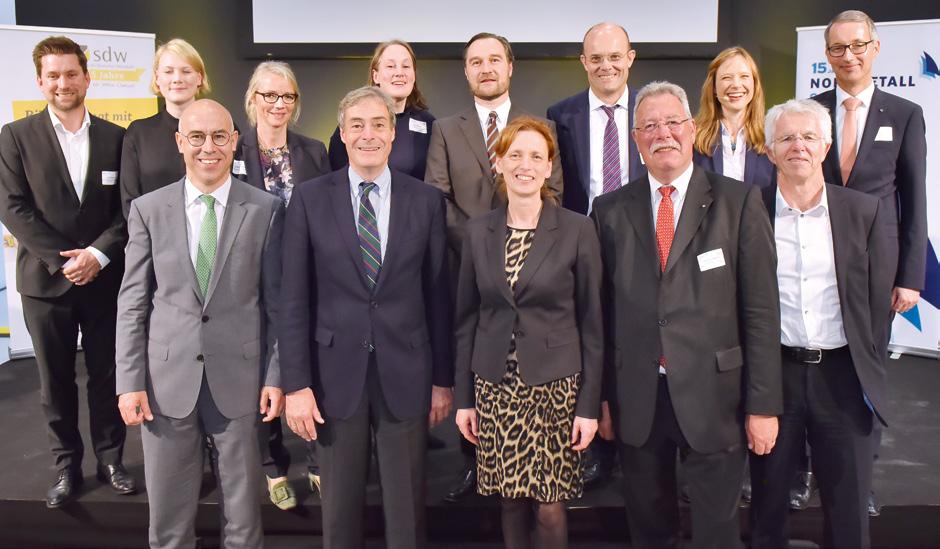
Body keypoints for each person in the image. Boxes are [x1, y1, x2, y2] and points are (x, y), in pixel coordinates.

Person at [590, 81, 782, 549]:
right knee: (650, 533)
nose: (663, 133)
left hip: (716, 396)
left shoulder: (739, 202)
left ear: (692, 129)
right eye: (650, 126)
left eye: (673, 122)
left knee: (717, 534)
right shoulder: (608, 210)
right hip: (638, 398)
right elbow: (600, 315)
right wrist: (601, 399)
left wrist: (763, 405)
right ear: (636, 139)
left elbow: (761, 313)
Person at [280, 86, 453, 549]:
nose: (368, 135)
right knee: (339, 512)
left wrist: (442, 379)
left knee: (408, 512)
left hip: (407, 372)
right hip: (333, 377)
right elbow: (293, 300)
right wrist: (296, 385)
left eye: (378, 124)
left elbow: (438, 297)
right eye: (357, 125)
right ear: (342, 133)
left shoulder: (426, 200)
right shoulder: (310, 199)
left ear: (393, 133)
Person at [115, 99, 284, 549]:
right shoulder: (148, 210)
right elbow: (133, 302)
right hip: (165, 382)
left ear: (234, 141)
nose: (208, 147)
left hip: (240, 380)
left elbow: (277, 304)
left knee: (243, 519)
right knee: (168, 521)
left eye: (219, 136)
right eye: (196, 137)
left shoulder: (265, 209)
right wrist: (129, 382)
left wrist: (274, 375)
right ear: (179, 142)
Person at [425, 30, 563, 502]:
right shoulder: (446, 129)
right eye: (476, 62)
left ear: (510, 67)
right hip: (467, 267)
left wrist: (516, 245)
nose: (486, 69)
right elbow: (437, 198)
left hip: (532, 269)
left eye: (494, 60)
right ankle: (474, 461)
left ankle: (530, 458)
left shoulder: (540, 126)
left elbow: (554, 192)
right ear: (466, 71)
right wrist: (481, 246)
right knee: (475, 358)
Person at [749, 98, 892, 549]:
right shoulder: (747, 210)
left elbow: (876, 303)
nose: (799, 146)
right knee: (767, 509)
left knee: (849, 513)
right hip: (774, 377)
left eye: (809, 137)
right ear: (770, 150)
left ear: (826, 146)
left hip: (843, 377)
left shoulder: (864, 210)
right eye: (787, 138)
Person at [454, 116, 602, 548]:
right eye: (515, 154)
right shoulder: (477, 232)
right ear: (498, 162)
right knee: (509, 500)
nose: (525, 164)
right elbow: (466, 320)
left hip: (556, 390)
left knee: (550, 505)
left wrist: (589, 406)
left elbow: (594, 324)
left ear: (549, 166)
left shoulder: (577, 229)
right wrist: (464, 399)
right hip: (495, 388)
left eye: (536, 156)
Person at [0, 35, 135, 508]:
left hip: (104, 279)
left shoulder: (118, 138)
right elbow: (13, 208)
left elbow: (127, 210)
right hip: (44, 284)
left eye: (71, 74)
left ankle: (111, 460)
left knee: (106, 375)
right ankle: (66, 466)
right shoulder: (15, 136)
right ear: (40, 82)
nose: (63, 83)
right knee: (54, 381)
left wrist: (96, 255)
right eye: (53, 75)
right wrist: (65, 261)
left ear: (87, 78)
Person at [812, 9, 927, 516]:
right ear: (827, 54)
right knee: (811, 369)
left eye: (858, 45)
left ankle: (861, 477)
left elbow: (916, 201)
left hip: (878, 268)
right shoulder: (811, 109)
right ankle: (807, 469)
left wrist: (910, 277)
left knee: (866, 371)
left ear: (875, 48)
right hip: (813, 261)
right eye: (838, 47)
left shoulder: (904, 113)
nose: (849, 55)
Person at [235, 60, 330, 509]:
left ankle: (317, 461)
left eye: (287, 96)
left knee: (312, 365)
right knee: (262, 371)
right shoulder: (233, 149)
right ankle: (273, 466)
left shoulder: (314, 151)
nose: (278, 104)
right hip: (251, 277)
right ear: (252, 99)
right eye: (269, 95)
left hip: (307, 273)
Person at [547, 21, 645, 215]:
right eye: (596, 59)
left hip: (641, 225)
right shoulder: (560, 116)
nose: (606, 66)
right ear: (584, 62)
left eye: (615, 57)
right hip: (581, 225)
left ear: (630, 58)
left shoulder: (651, 110)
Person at [120, 38, 210, 217]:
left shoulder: (221, 129)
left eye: (186, 71)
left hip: (211, 232)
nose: (177, 79)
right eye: (168, 71)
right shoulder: (138, 133)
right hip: (153, 233)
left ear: (199, 78)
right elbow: (130, 202)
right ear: (157, 79)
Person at [328, 39, 435, 180]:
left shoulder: (429, 123)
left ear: (414, 75)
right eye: (391, 66)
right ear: (376, 76)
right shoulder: (353, 123)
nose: (399, 73)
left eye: (406, 66)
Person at [693, 46, 774, 189]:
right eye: (726, 78)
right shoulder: (693, 136)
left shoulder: (772, 136)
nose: (736, 85)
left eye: (744, 76)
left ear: (755, 84)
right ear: (714, 87)